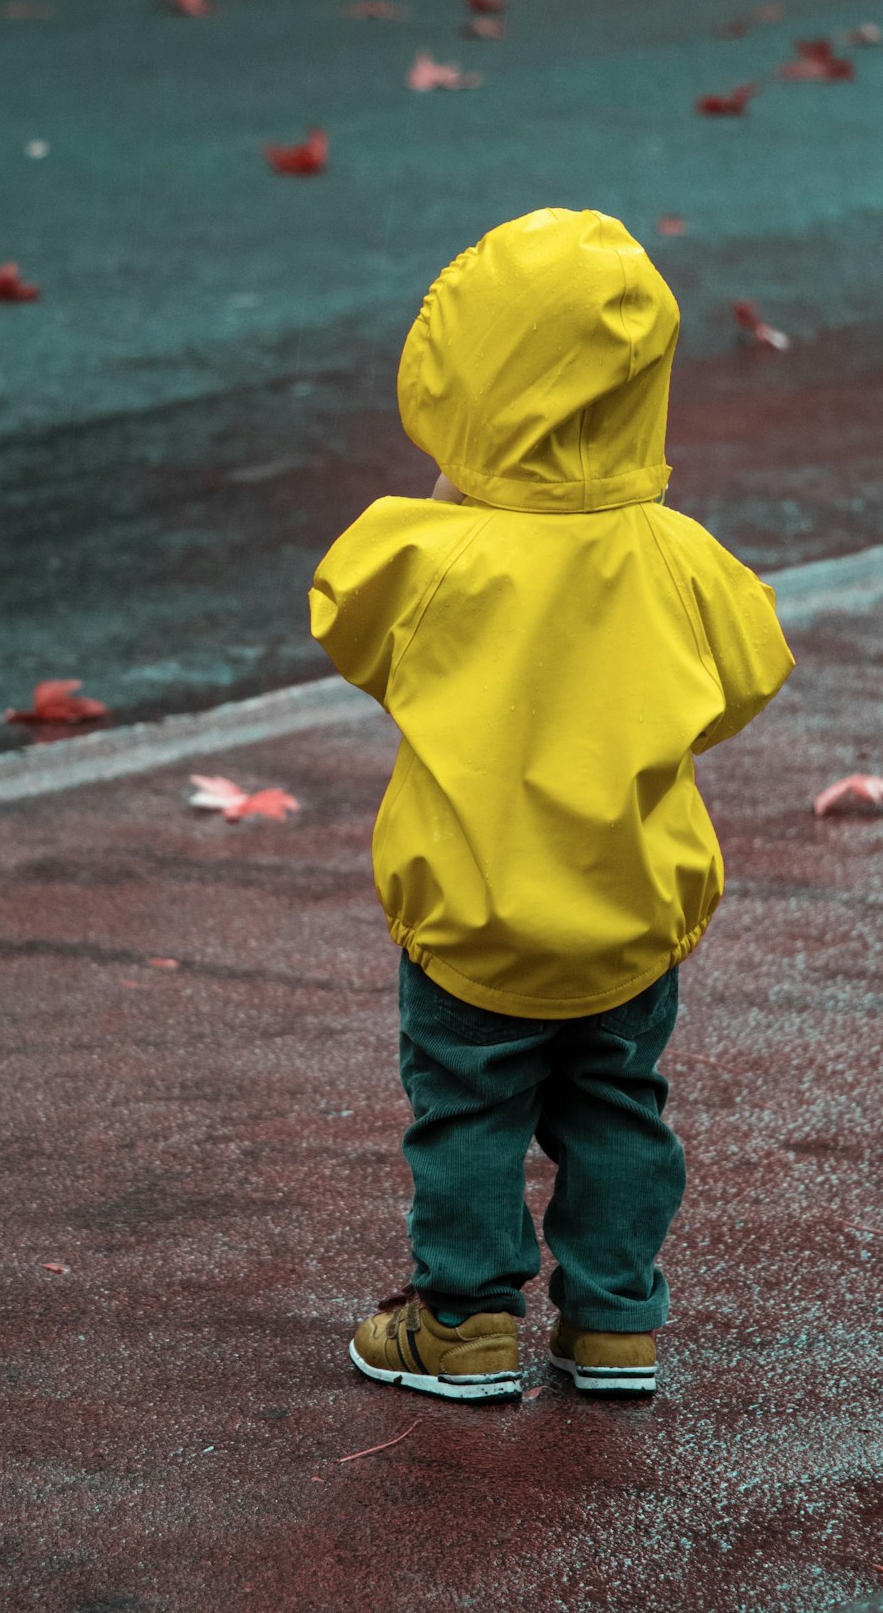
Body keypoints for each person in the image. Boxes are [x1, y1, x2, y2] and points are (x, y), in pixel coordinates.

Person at [308, 208, 795, 1402]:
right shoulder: (677, 557)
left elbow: (345, 620)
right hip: (632, 913)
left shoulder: (434, 557)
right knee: (619, 1106)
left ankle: (466, 1320)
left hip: (473, 918)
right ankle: (615, 1321)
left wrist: (456, 502)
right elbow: (747, 675)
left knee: (465, 1112)